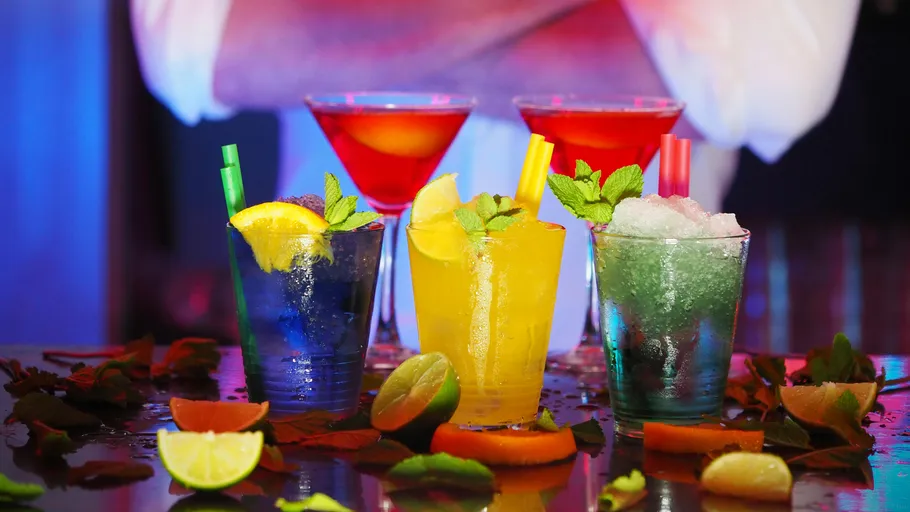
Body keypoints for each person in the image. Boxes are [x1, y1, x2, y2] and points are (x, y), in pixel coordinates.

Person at [131, 0, 859, 351]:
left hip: (624, 373)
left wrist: (357, 48)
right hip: (335, 365)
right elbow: (200, 47)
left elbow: (772, 83)